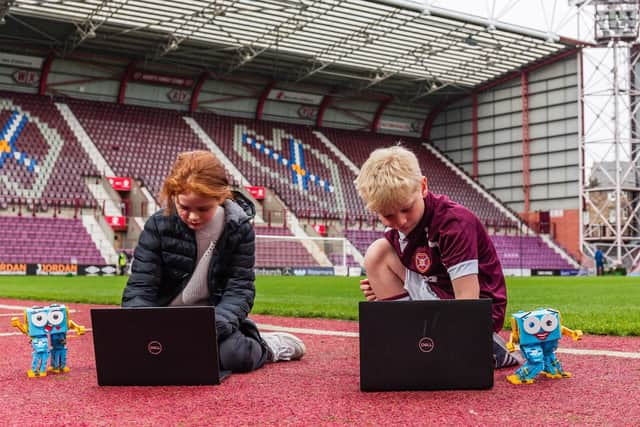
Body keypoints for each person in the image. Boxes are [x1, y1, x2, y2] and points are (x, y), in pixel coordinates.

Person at [122, 150, 305, 373]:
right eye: (184, 207)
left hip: (211, 320)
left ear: (221, 197)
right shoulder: (158, 226)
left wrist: (214, 327)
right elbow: (141, 285)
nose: (193, 216)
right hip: (162, 319)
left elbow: (240, 289)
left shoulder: (239, 229)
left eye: (203, 208)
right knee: (129, 355)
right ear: (173, 197)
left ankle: (267, 347)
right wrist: (145, 326)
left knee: (234, 357)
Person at [354, 145, 521, 369]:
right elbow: (423, 273)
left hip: (475, 308)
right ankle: (414, 343)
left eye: (406, 208)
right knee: (377, 253)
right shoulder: (400, 232)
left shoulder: (453, 224)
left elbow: (467, 298)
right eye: (388, 215)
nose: (401, 221)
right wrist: (385, 292)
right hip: (437, 298)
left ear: (422, 187)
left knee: (454, 358)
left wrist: (467, 339)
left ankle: (482, 344)